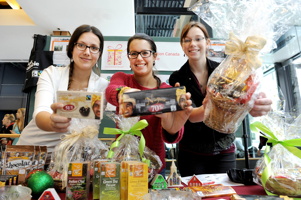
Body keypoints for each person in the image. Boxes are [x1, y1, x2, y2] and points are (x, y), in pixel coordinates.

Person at [169, 21, 273, 176]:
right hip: (191, 152)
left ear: (208, 42)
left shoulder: (226, 70)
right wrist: (211, 106)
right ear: (182, 45)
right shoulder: (177, 78)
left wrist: (253, 104)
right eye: (187, 40)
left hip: (224, 149)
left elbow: (240, 100)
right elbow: (188, 117)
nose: (193, 44)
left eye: (198, 39)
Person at [17, 25, 109, 163]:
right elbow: (41, 112)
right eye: (81, 45)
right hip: (33, 153)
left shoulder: (103, 86)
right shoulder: (51, 74)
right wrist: (51, 122)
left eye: (94, 48)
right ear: (72, 48)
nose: (87, 52)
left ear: (99, 54)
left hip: (72, 160)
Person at [105, 33, 193, 176]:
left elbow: (172, 132)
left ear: (154, 56)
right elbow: (111, 92)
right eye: (134, 54)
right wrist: (126, 94)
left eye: (145, 53)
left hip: (154, 167)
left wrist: (173, 127)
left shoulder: (165, 91)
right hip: (124, 163)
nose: (139, 58)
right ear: (128, 57)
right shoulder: (122, 79)